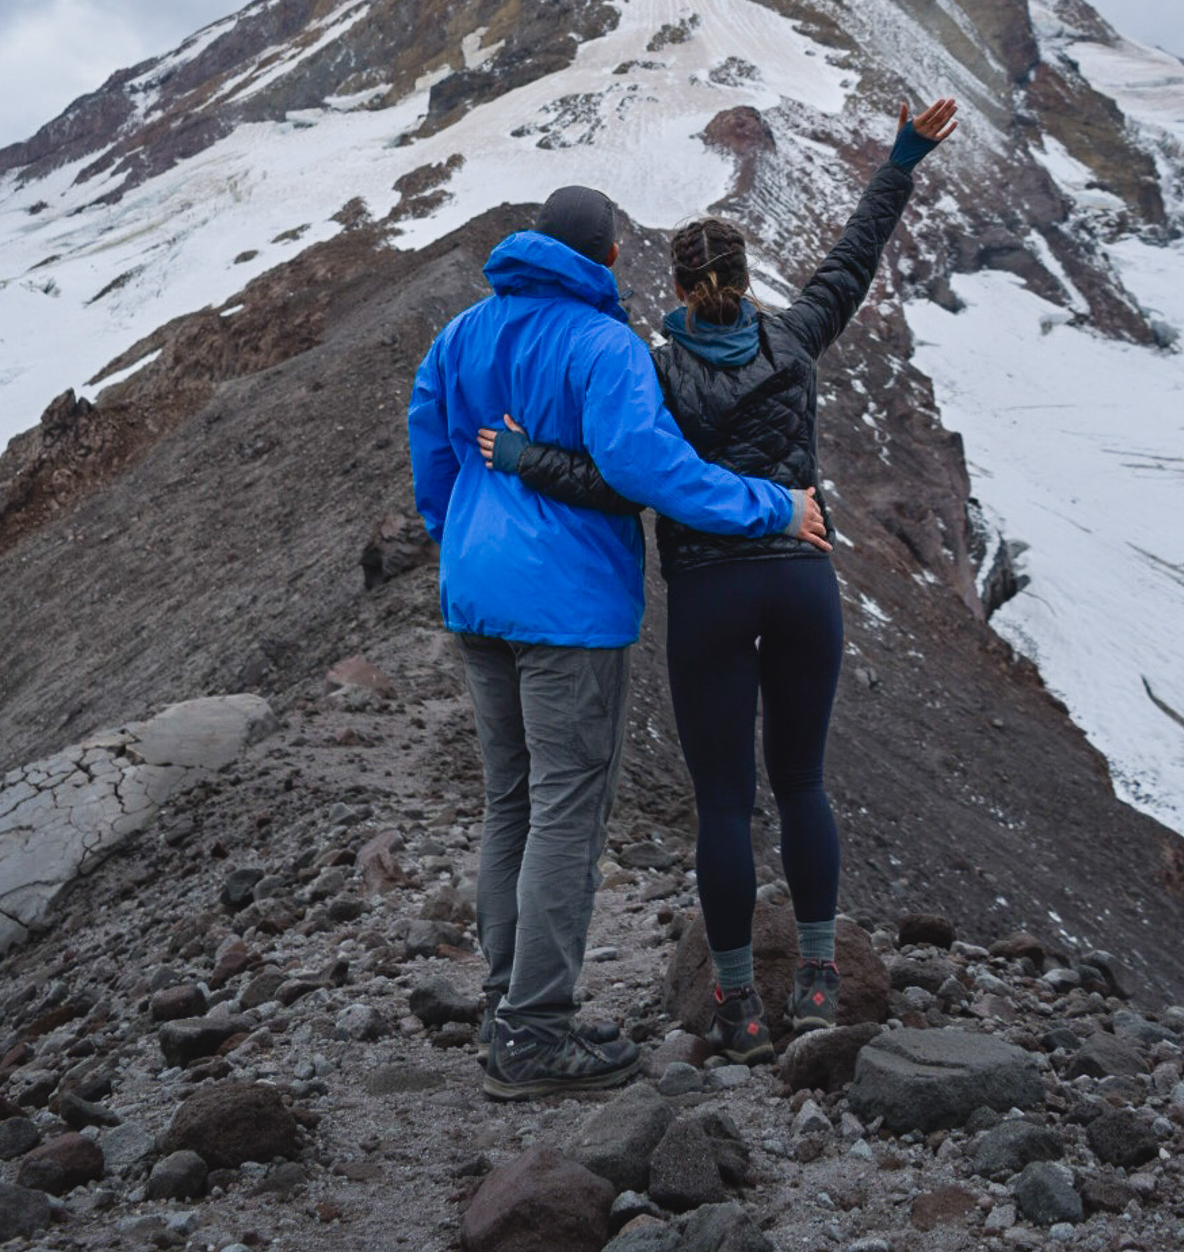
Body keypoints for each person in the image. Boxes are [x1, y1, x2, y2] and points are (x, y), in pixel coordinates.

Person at [478, 98, 957, 1065]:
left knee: (726, 806)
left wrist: (524, 459)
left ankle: (737, 1004)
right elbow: (854, 254)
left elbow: (616, 479)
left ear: (679, 285)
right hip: (801, 581)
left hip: (709, 594)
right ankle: (819, 981)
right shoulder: (794, 337)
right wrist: (902, 157)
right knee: (804, 782)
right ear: (743, 280)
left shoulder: (650, 373)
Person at [407, 182, 828, 1101]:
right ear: (603, 259)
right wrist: (773, 506)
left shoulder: (459, 335)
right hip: (568, 609)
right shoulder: (603, 345)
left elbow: (430, 445)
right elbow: (648, 469)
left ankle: (504, 1003)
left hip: (476, 595)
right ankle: (535, 1033)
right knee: (564, 808)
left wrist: (460, 538)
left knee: (508, 801)